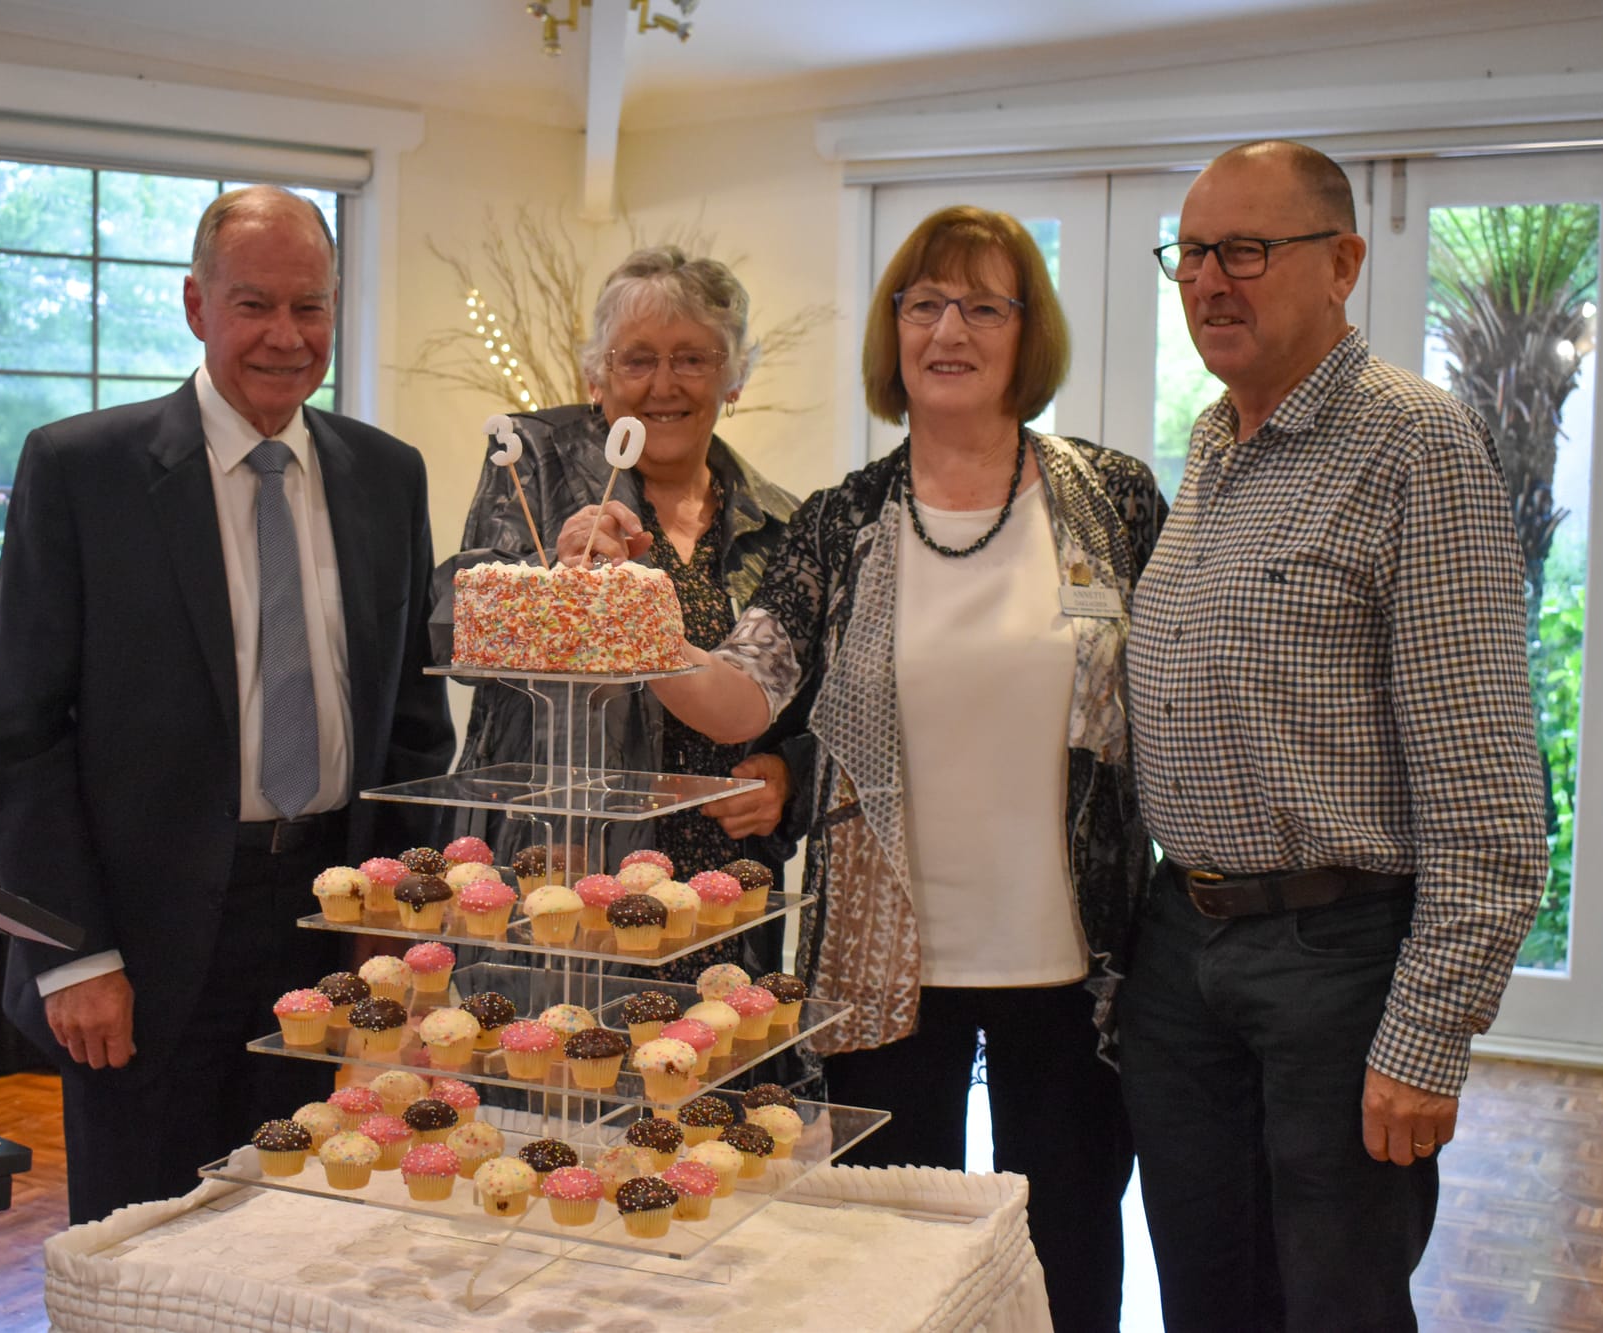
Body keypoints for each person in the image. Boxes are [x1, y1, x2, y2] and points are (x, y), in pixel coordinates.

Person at [641, 206, 1164, 1332]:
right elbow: (743, 690)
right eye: (922, 303)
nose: (948, 329)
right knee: (884, 1269)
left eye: (983, 304)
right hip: (886, 979)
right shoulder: (843, 522)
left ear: (1029, 332)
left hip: (1081, 972)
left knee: (1068, 1259)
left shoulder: (1112, 502)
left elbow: (1184, 697)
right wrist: (629, 626)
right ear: (893, 332)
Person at [1121, 140, 1549, 1331]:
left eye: (1245, 250)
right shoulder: (1213, 443)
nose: (1210, 280)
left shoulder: (1412, 446)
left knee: (1334, 1303)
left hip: (1336, 963)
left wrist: (1425, 1036)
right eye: (1190, 253)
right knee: (1205, 1292)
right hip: (1182, 949)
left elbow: (1490, 797)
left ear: (1341, 262)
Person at [0, 185, 455, 1224]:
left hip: (331, 925)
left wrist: (400, 918)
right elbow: (25, 742)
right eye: (255, 305)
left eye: (310, 307)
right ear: (196, 305)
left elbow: (415, 727)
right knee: (139, 1238)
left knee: (299, 1228)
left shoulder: (386, 474)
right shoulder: (82, 471)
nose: (286, 337)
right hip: (141, 949)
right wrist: (75, 957)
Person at [437, 246, 813, 997]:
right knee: (558, 1081)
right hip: (570, 875)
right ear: (596, 377)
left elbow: (808, 703)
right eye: (636, 359)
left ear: (734, 376)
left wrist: (787, 777)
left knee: (709, 1092)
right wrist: (554, 583)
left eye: (693, 359)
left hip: (717, 890)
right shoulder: (536, 460)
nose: (663, 385)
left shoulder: (781, 522)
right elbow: (454, 624)